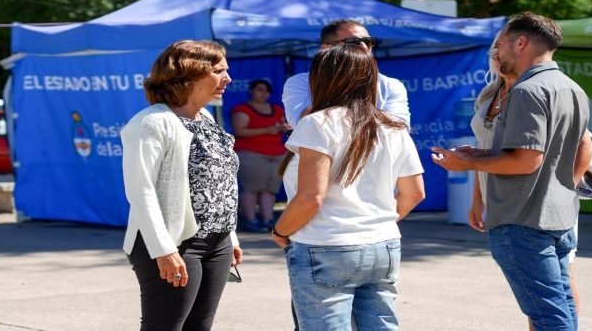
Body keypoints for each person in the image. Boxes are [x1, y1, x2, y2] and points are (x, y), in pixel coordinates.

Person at [431, 12, 591, 330]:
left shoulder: (527, 91)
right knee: (561, 308)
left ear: (520, 42)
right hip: (555, 217)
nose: (497, 51)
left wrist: (468, 163)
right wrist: (481, 154)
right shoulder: (572, 88)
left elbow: (526, 160)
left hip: (522, 220)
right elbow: (545, 154)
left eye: (500, 43)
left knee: (548, 315)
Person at [272, 44, 425, 330]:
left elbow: (310, 198)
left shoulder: (317, 123)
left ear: (321, 79)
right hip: (383, 244)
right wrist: (376, 222)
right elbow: (414, 193)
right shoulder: (393, 126)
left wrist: (280, 231)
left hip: (325, 245)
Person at [120, 40, 243, 331]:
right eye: (219, 71)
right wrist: (163, 250)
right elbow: (141, 191)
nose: (228, 78)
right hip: (174, 242)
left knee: (200, 326)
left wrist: (231, 237)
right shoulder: (152, 123)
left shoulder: (207, 118)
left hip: (218, 242)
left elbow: (219, 182)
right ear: (191, 73)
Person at [282, 19, 410, 128]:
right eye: (353, 42)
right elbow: (300, 124)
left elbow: (399, 127)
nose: (364, 47)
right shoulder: (300, 82)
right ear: (326, 49)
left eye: (368, 41)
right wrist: (340, 85)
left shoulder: (390, 84)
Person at [231, 79, 290, 232]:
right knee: (252, 188)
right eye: (260, 89)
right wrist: (266, 130)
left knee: (271, 190)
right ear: (251, 91)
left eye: (266, 90)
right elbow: (239, 130)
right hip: (251, 154)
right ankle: (251, 221)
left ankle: (268, 221)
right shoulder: (242, 109)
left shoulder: (276, 109)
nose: (263, 93)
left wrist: (283, 128)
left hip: (277, 154)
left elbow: (283, 126)